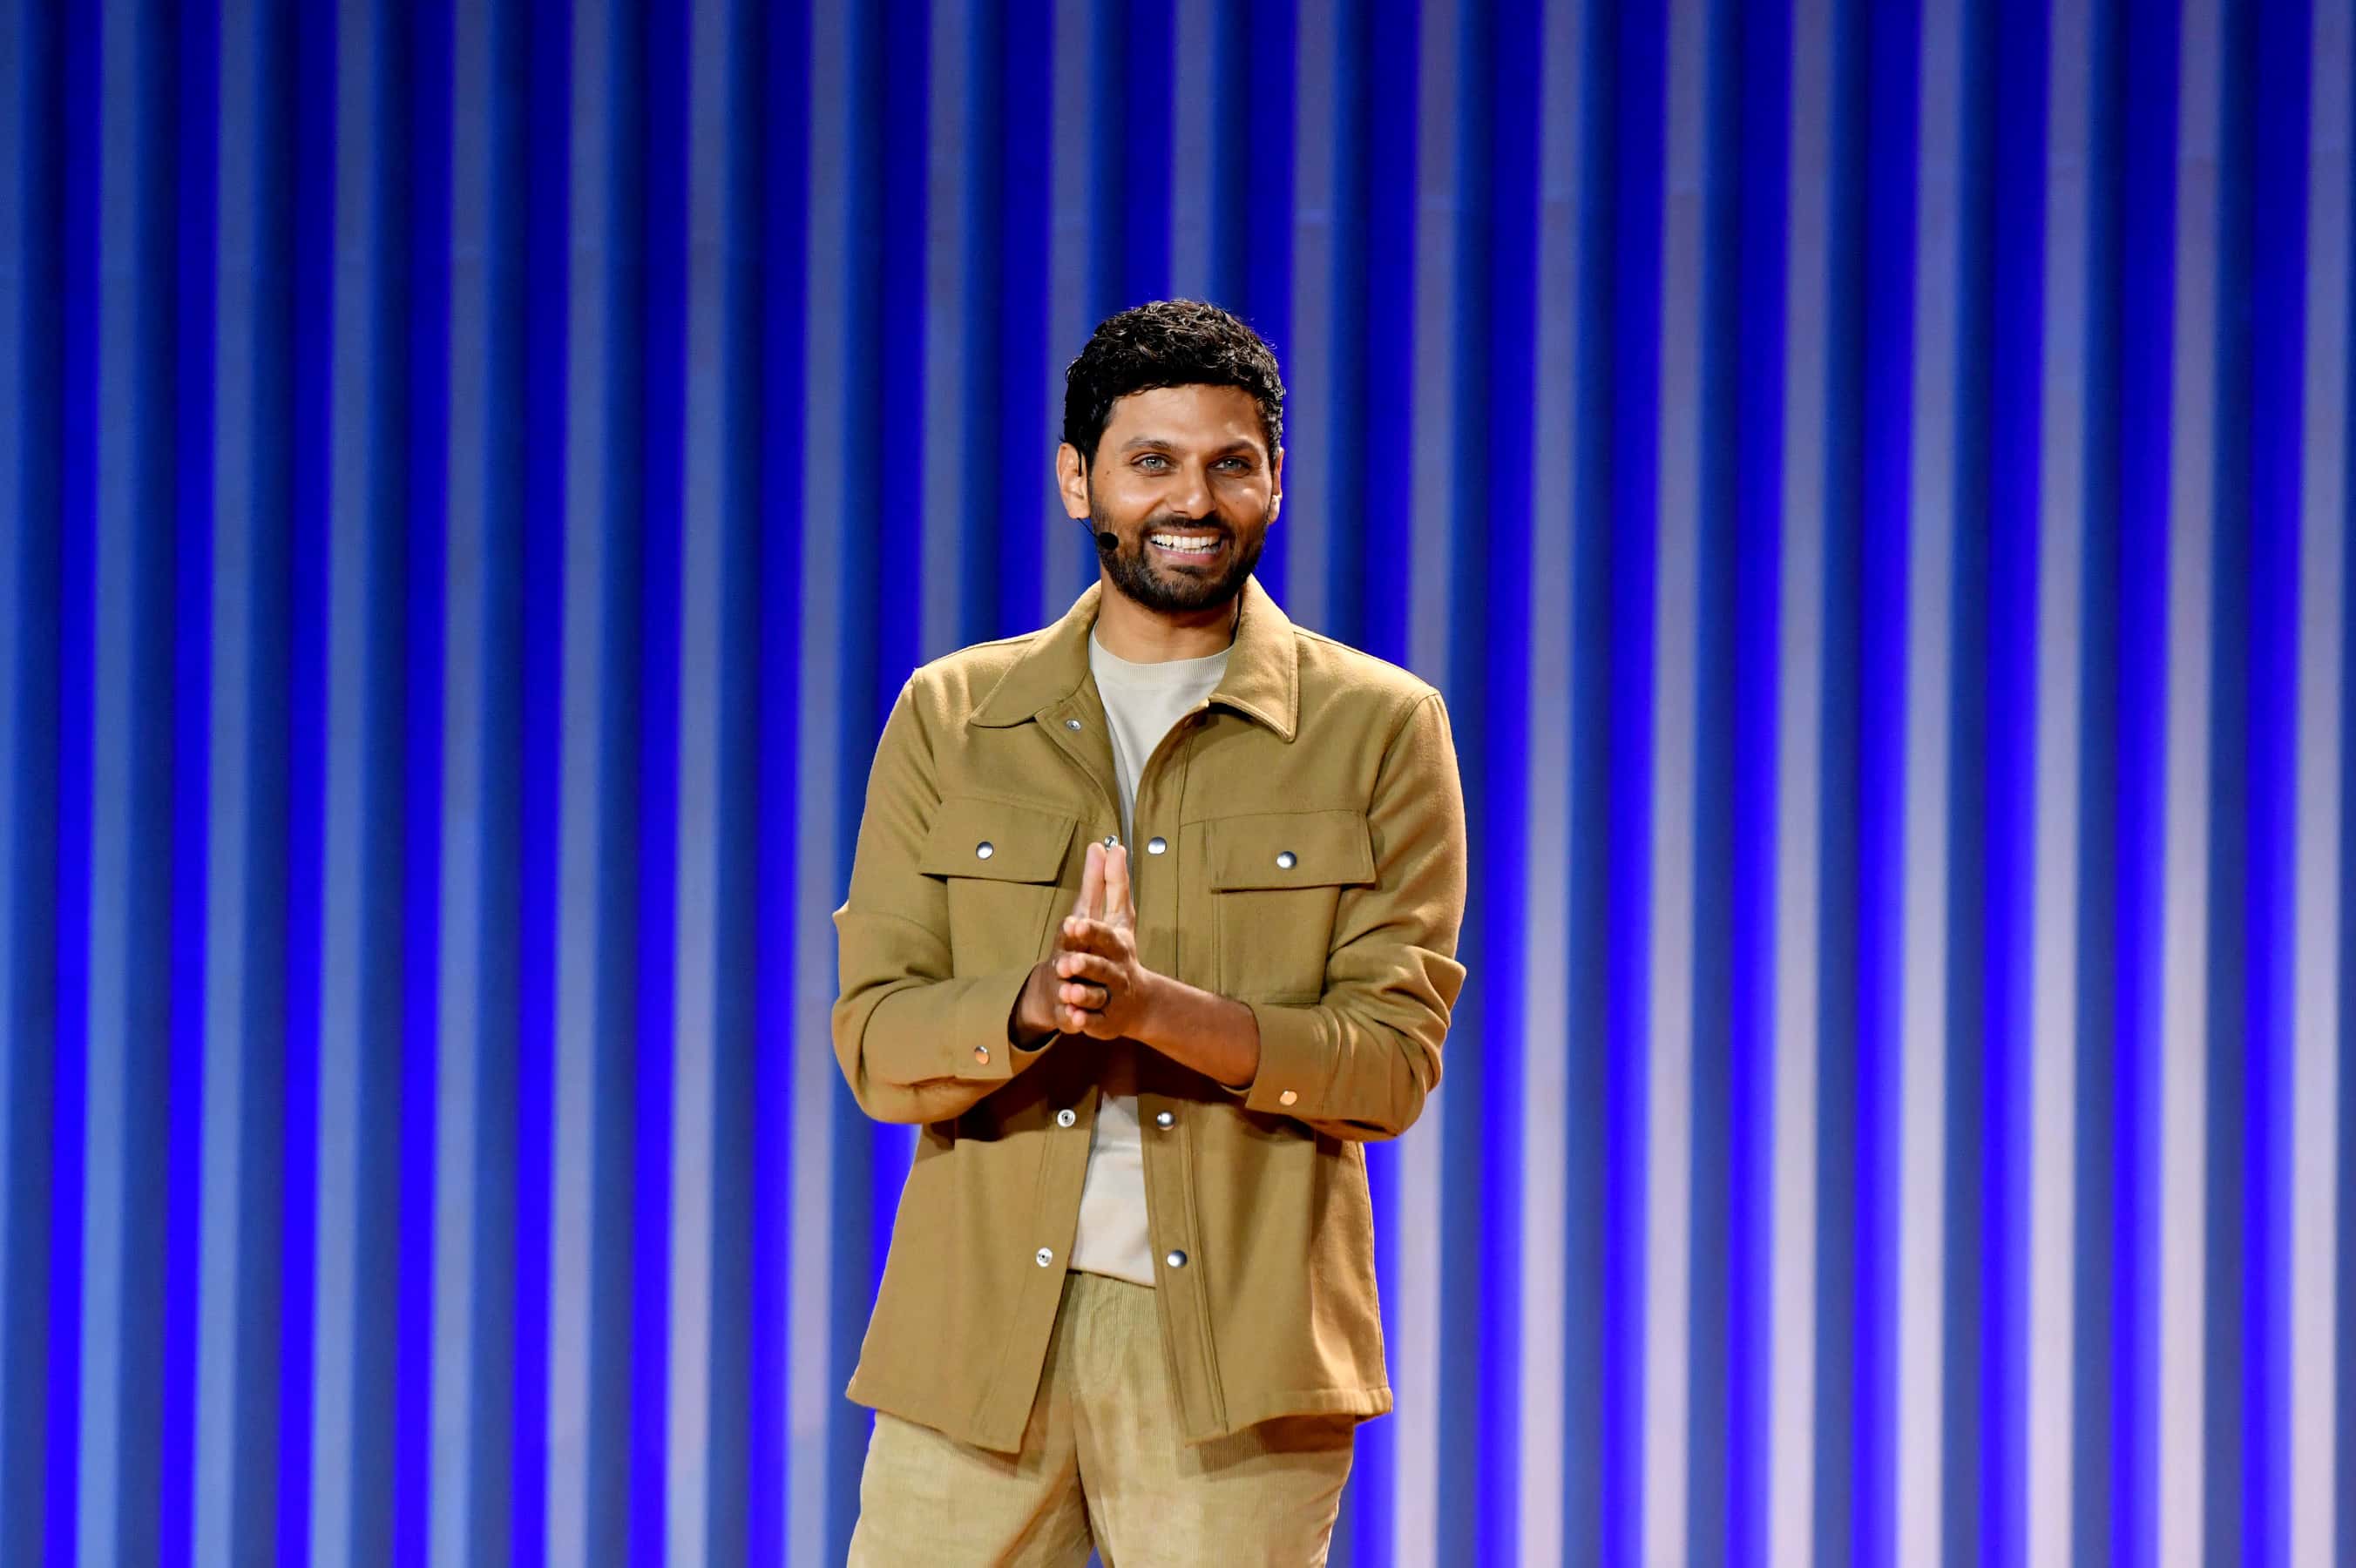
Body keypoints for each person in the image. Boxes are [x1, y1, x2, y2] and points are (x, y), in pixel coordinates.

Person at [832, 299, 1468, 1565]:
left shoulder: (1382, 726)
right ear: (1080, 482)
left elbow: (1390, 1068)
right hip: (973, 1354)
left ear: (1274, 482)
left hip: (1241, 1370)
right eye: (1153, 461)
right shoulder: (954, 714)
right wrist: (1031, 1005)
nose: (1196, 497)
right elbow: (876, 1040)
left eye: (1233, 461)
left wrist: (1153, 1012)